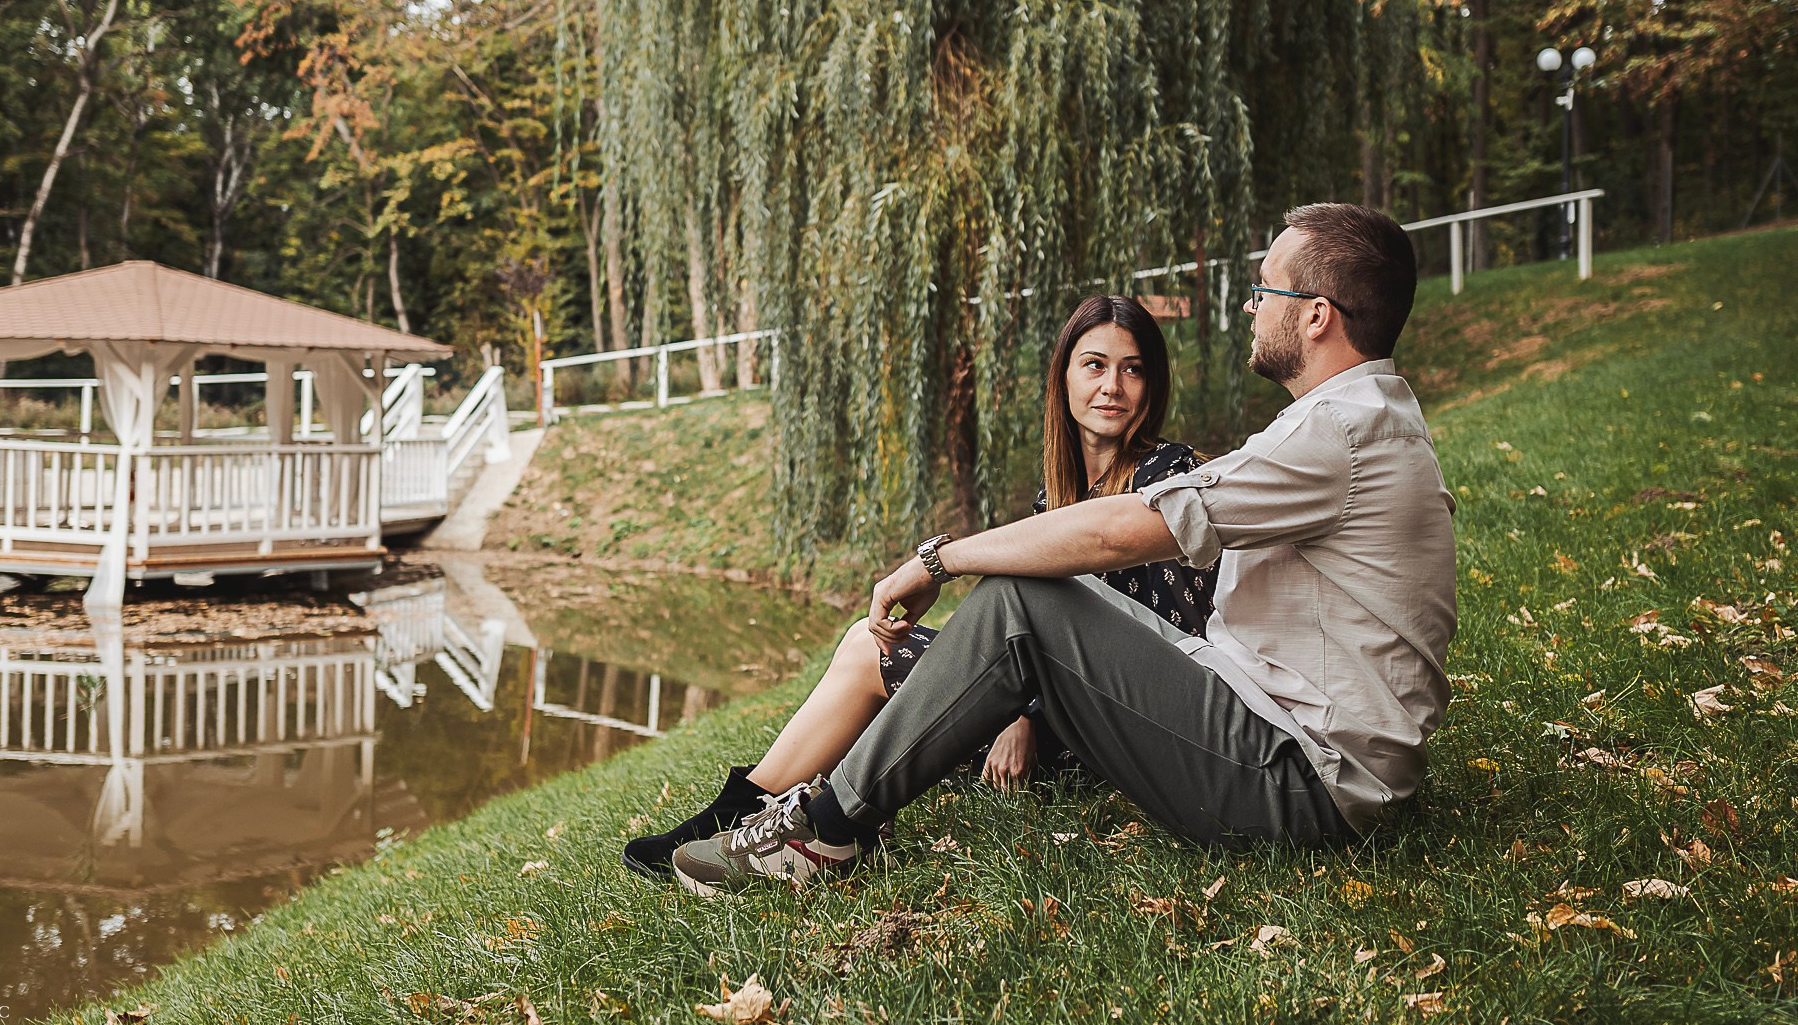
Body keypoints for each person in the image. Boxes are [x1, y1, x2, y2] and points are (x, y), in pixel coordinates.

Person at [670, 202, 1458, 895]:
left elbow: (1121, 530)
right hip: (1271, 733)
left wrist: (941, 559)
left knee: (1023, 601)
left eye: (1264, 289)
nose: (1251, 308)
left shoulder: (1343, 432)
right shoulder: (1347, 421)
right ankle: (806, 809)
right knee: (1026, 600)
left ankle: (822, 832)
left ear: (1315, 315)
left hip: (1303, 781)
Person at [621, 295, 1216, 878]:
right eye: (1094, 365)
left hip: (1118, 737)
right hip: (1066, 717)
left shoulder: (1167, 477)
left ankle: (762, 818)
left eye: (1132, 369)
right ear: (1062, 377)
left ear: (1152, 385)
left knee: (869, 655)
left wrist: (1028, 715)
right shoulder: (1055, 496)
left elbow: (1154, 636)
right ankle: (753, 808)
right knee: (868, 643)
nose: (1112, 385)